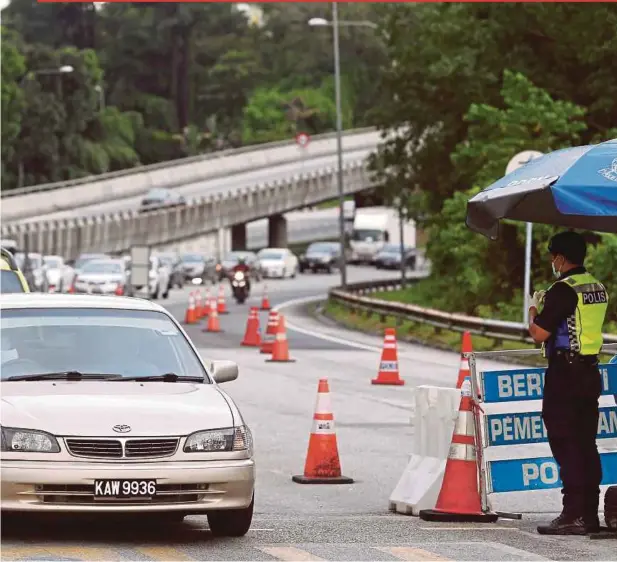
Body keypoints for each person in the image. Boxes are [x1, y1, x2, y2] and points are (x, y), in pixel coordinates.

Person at [527, 231, 609, 535]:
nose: (552, 261)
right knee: (586, 443)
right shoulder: (597, 287)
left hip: (566, 374)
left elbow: (539, 334)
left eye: (552, 256)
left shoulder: (563, 289)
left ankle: (572, 513)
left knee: (565, 442)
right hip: (589, 373)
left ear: (561, 258)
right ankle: (589, 513)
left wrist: (533, 310)